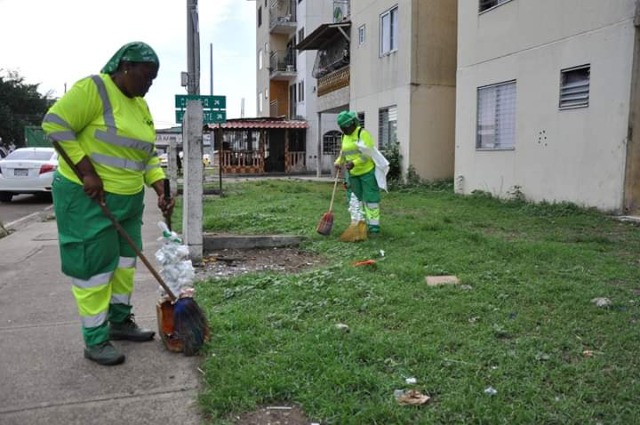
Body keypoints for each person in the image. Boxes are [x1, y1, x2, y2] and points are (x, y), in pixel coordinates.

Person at [41, 41, 175, 366]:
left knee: (125, 265)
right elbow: (56, 124)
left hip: (129, 201)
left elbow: (146, 157)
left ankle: (119, 322)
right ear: (125, 67)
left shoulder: (141, 108)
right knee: (94, 271)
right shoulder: (95, 88)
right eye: (146, 76)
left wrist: (159, 188)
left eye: (154, 79)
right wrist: (87, 172)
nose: (149, 84)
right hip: (90, 198)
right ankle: (95, 340)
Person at [334, 110, 381, 234]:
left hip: (367, 172)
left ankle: (374, 227)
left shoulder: (362, 133)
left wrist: (355, 163)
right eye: (342, 128)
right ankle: (359, 224)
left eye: (346, 127)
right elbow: (344, 153)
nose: (344, 130)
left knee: (371, 199)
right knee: (355, 200)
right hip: (352, 174)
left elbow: (368, 154)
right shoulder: (344, 136)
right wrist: (339, 161)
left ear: (352, 124)